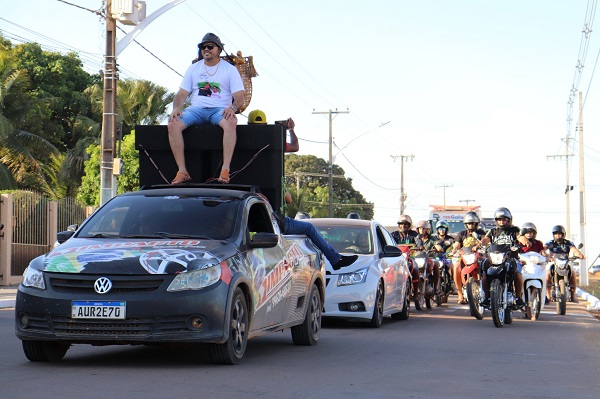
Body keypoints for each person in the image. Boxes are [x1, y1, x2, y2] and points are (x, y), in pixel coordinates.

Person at [167, 33, 245, 185]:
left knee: (230, 122)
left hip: (219, 110)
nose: (206, 49)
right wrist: (176, 108)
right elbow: (182, 93)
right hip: (196, 109)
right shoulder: (193, 68)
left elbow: (240, 96)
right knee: (173, 123)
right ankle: (182, 171)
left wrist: (233, 107)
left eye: (210, 46)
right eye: (203, 47)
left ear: (219, 50)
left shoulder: (229, 69)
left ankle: (225, 170)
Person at [479, 207, 528, 308]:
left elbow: (520, 237)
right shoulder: (493, 231)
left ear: (509, 220)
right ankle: (487, 298)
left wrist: (524, 241)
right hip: (494, 259)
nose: (502, 222)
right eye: (499, 220)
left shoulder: (514, 230)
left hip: (511, 258)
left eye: (504, 219)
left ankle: (518, 298)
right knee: (484, 275)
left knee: (517, 274)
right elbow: (485, 240)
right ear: (496, 221)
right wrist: (479, 245)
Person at [450, 211, 486, 304]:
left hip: (478, 256)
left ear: (476, 223)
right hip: (465, 256)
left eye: (473, 223)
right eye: (469, 223)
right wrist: (453, 250)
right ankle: (460, 294)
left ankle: (488, 292)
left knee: (487, 268)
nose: (471, 225)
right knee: (456, 267)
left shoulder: (481, 233)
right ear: (466, 224)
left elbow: (484, 241)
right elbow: (457, 244)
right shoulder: (462, 234)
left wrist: (478, 246)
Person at [543, 225, 585, 303]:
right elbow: (544, 248)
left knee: (572, 272)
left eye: (559, 234)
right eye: (556, 234)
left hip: (566, 261)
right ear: (553, 235)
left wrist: (579, 254)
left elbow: (574, 249)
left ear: (563, 234)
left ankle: (572, 296)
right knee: (547, 272)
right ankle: (547, 296)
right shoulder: (551, 243)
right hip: (553, 261)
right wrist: (544, 254)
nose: (558, 235)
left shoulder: (567, 243)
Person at [391, 214, 420, 297]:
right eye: (401, 224)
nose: (403, 226)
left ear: (409, 225)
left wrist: (420, 245)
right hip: (397, 259)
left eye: (405, 224)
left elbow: (418, 241)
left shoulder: (414, 234)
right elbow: (388, 242)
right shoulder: (393, 235)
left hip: (410, 258)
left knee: (416, 269)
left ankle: (416, 293)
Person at [414, 220, 441, 295]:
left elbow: (437, 245)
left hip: (430, 258)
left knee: (436, 263)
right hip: (418, 258)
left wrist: (438, 248)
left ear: (427, 230)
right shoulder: (416, 239)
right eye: (420, 228)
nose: (421, 230)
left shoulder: (432, 238)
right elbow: (411, 247)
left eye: (423, 228)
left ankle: (435, 288)